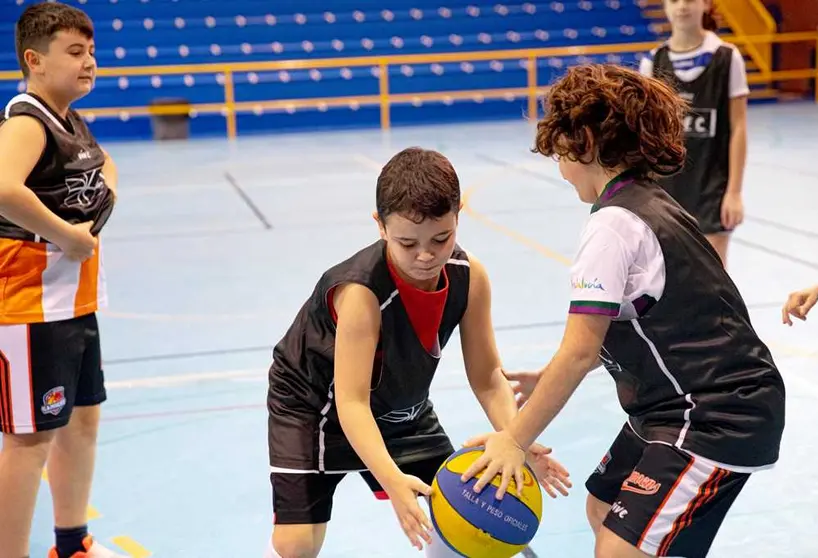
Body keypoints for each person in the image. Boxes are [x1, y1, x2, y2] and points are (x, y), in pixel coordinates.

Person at [460, 64, 785, 558]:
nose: (559, 165)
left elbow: (579, 350)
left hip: (716, 412)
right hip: (674, 405)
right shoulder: (650, 202)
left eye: (559, 150)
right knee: (603, 505)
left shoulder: (613, 225)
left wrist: (513, 439)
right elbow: (648, 320)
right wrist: (546, 375)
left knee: (618, 548)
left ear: (584, 141)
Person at [265, 147, 571, 558]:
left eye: (441, 238)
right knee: (296, 546)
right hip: (313, 406)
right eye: (407, 243)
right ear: (380, 226)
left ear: (459, 215)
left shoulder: (469, 276)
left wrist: (517, 439)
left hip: (399, 405)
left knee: (465, 515)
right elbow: (351, 403)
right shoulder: (360, 294)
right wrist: (391, 480)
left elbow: (486, 376)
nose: (426, 256)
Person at [0, 3, 122, 557]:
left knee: (81, 422)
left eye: (90, 51)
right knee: (28, 442)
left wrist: (104, 205)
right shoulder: (27, 121)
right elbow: (3, 187)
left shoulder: (68, 119)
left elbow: (106, 170)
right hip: (29, 308)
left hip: (72, 303)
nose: (88, 62)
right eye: (75, 52)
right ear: (34, 59)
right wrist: (66, 236)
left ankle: (71, 543)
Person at [639, 0, 749, 267]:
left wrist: (734, 192)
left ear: (705, 5)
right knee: (667, 275)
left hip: (712, 187)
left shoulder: (726, 57)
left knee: (713, 274)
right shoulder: (653, 62)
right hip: (666, 189)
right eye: (674, 0)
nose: (682, 7)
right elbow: (646, 136)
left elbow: (739, 128)